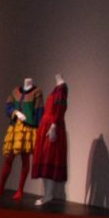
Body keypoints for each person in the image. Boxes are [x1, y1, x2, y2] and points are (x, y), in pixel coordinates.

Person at [0, 79, 43, 201]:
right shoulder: (15, 91)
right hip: (15, 128)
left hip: (28, 129)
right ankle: (0, 188)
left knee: (25, 159)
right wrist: (15, 113)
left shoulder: (37, 92)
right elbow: (8, 107)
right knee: (8, 158)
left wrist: (39, 130)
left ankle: (20, 190)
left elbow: (39, 112)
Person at [31, 74, 68, 205]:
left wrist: (54, 125)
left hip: (52, 126)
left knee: (49, 158)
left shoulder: (62, 88)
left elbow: (60, 108)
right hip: (47, 125)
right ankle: (47, 194)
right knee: (44, 159)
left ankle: (48, 195)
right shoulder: (57, 88)